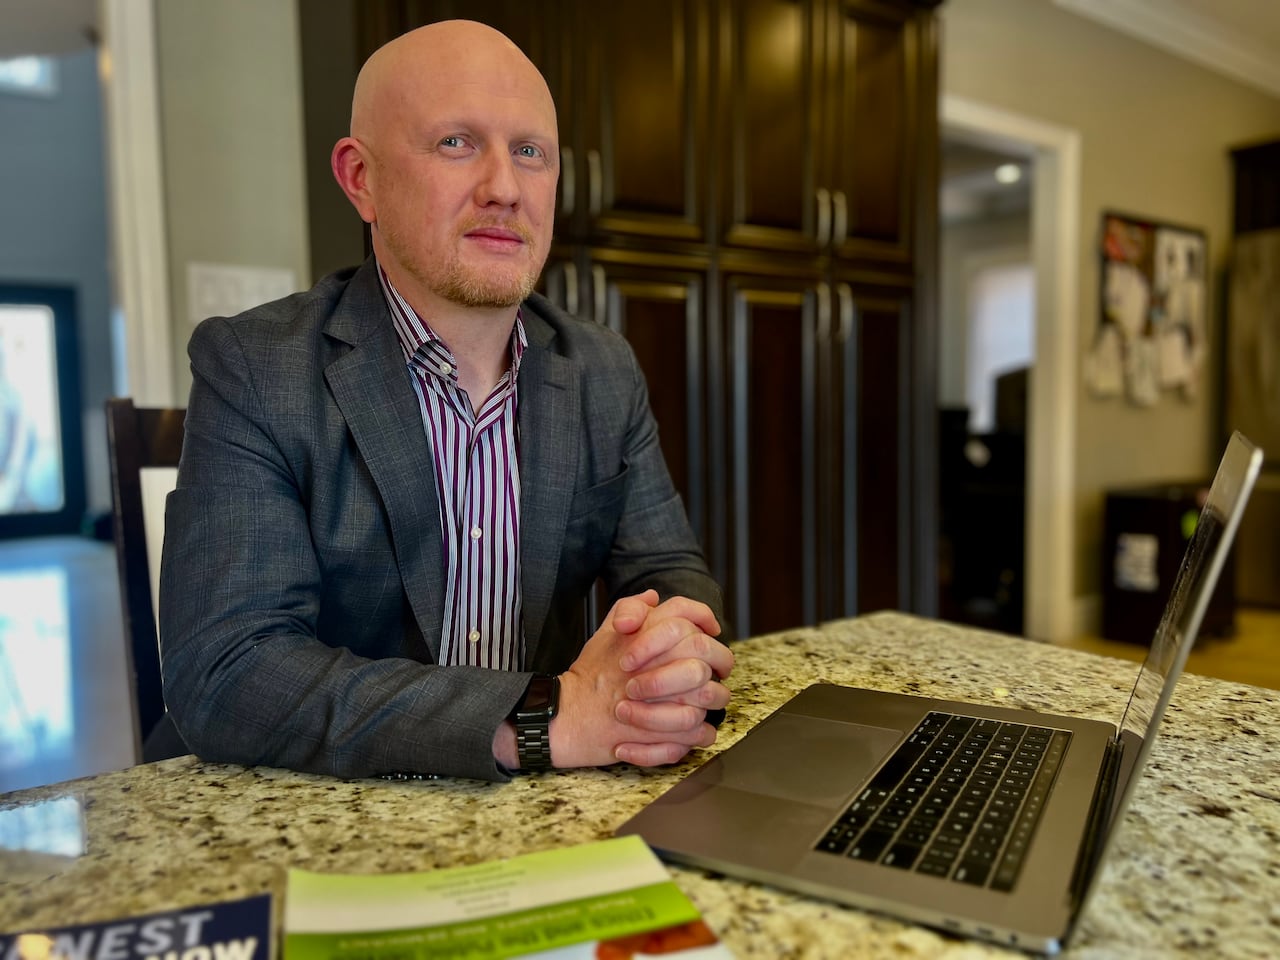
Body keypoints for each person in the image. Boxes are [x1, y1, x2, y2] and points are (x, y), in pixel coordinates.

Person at [157, 19, 733, 781]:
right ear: (360, 178)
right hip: (317, 814)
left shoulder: (602, 368)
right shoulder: (255, 368)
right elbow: (229, 673)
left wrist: (668, 652)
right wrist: (544, 719)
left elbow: (668, 567)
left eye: (530, 152)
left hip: (542, 803)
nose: (504, 187)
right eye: (457, 143)